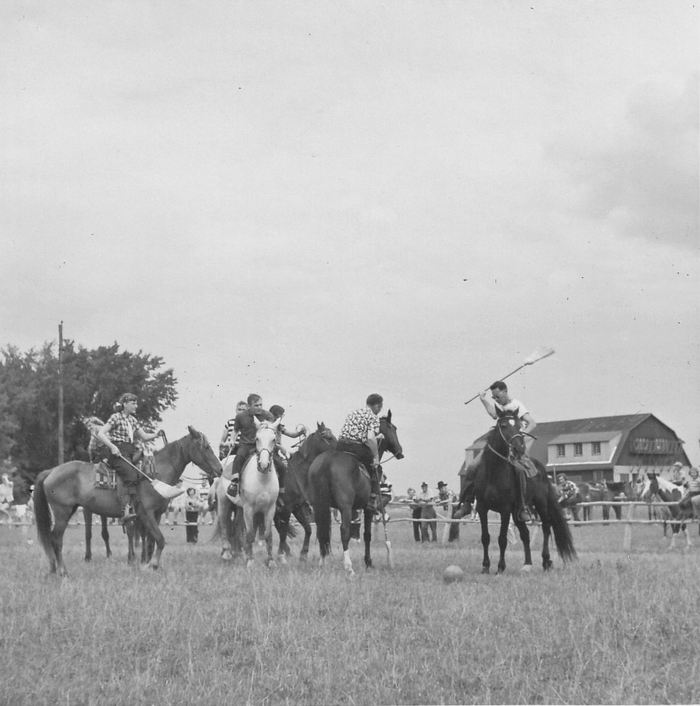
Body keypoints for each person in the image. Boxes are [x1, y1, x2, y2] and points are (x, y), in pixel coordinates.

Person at [458, 381, 537, 523]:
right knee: (472, 467)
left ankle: (523, 507)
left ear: (505, 391)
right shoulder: (500, 406)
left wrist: (520, 435)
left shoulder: (517, 405)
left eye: (497, 396)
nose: (495, 399)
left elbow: (532, 423)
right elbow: (494, 414)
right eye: (493, 397)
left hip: (514, 447)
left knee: (519, 471)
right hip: (496, 446)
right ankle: (467, 504)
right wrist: (483, 399)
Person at [97, 392, 164, 522]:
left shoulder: (133, 420)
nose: (136, 406)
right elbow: (101, 433)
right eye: (133, 403)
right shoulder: (115, 417)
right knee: (131, 475)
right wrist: (112, 446)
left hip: (130, 450)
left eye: (136, 403)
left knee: (146, 470)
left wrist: (156, 434)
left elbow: (144, 437)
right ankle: (126, 509)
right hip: (117, 451)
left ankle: (143, 503)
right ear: (125, 404)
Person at [336, 394, 384, 512]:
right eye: (381, 407)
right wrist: (376, 457)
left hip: (340, 445)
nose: (380, 409)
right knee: (376, 467)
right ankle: (371, 499)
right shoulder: (373, 416)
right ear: (377, 406)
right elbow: (370, 438)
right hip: (355, 447)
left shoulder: (354, 412)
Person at [227, 394, 274, 497]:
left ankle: (281, 489)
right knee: (238, 458)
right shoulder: (240, 416)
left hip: (262, 446)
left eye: (261, 405)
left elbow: (273, 427)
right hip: (246, 444)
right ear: (249, 406)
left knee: (279, 464)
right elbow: (235, 430)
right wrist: (231, 440)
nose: (259, 407)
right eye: (256, 405)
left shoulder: (268, 415)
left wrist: (267, 424)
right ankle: (234, 483)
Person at [269, 405, 307, 493]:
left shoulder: (279, 426)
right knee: (282, 467)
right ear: (276, 416)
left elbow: (292, 434)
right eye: (281, 416)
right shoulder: (269, 426)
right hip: (271, 451)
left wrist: (300, 432)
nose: (282, 418)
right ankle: (281, 490)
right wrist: (279, 447)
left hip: (278, 451)